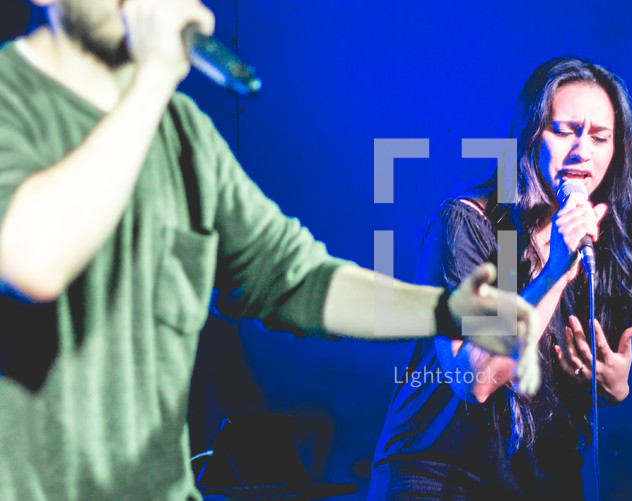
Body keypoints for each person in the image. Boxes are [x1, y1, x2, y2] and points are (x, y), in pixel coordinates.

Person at [0, 1, 540, 499]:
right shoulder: (15, 101)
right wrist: (154, 79)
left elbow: (295, 278)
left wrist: (444, 312)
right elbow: (31, 260)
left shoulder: (183, 135)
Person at [370, 56, 632, 499]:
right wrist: (555, 272)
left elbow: (586, 377)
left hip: (544, 481)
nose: (583, 151)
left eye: (600, 137)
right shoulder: (467, 224)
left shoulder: (604, 245)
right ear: (529, 133)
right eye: (564, 131)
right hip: (441, 476)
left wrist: (614, 384)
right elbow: (475, 379)